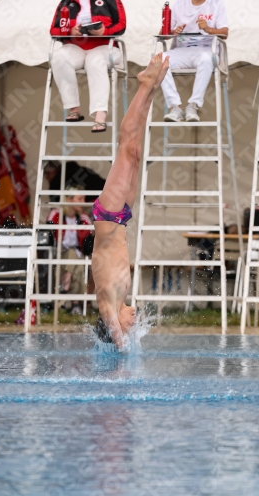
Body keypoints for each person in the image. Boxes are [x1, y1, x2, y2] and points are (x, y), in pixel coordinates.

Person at [92, 53, 170, 352]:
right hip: (121, 218)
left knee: (126, 149)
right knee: (136, 150)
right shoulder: (121, 296)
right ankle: (151, 90)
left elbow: (112, 329)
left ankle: (144, 86)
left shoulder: (107, 302)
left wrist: (121, 344)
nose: (134, 318)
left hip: (107, 217)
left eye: (129, 324)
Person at [51, 0, 126, 133]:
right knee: (58, 59)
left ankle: (100, 114)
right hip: (75, 47)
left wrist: (105, 31)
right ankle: (74, 108)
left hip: (105, 47)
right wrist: (70, 31)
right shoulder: (66, 3)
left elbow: (121, 24)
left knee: (95, 61)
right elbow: (54, 29)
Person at [161, 0, 228, 123]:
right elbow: (163, 34)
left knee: (206, 59)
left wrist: (209, 29)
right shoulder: (179, 4)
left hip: (207, 50)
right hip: (183, 50)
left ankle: (193, 105)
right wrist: (173, 32)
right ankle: (175, 107)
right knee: (160, 59)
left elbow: (224, 33)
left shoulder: (216, 4)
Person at [47, 187, 92, 314]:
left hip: (77, 254)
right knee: (74, 256)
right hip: (58, 252)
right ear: (69, 199)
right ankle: (75, 304)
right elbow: (47, 235)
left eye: (84, 199)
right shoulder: (56, 213)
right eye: (80, 199)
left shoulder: (83, 218)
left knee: (78, 263)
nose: (83, 202)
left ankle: (64, 292)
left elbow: (88, 244)